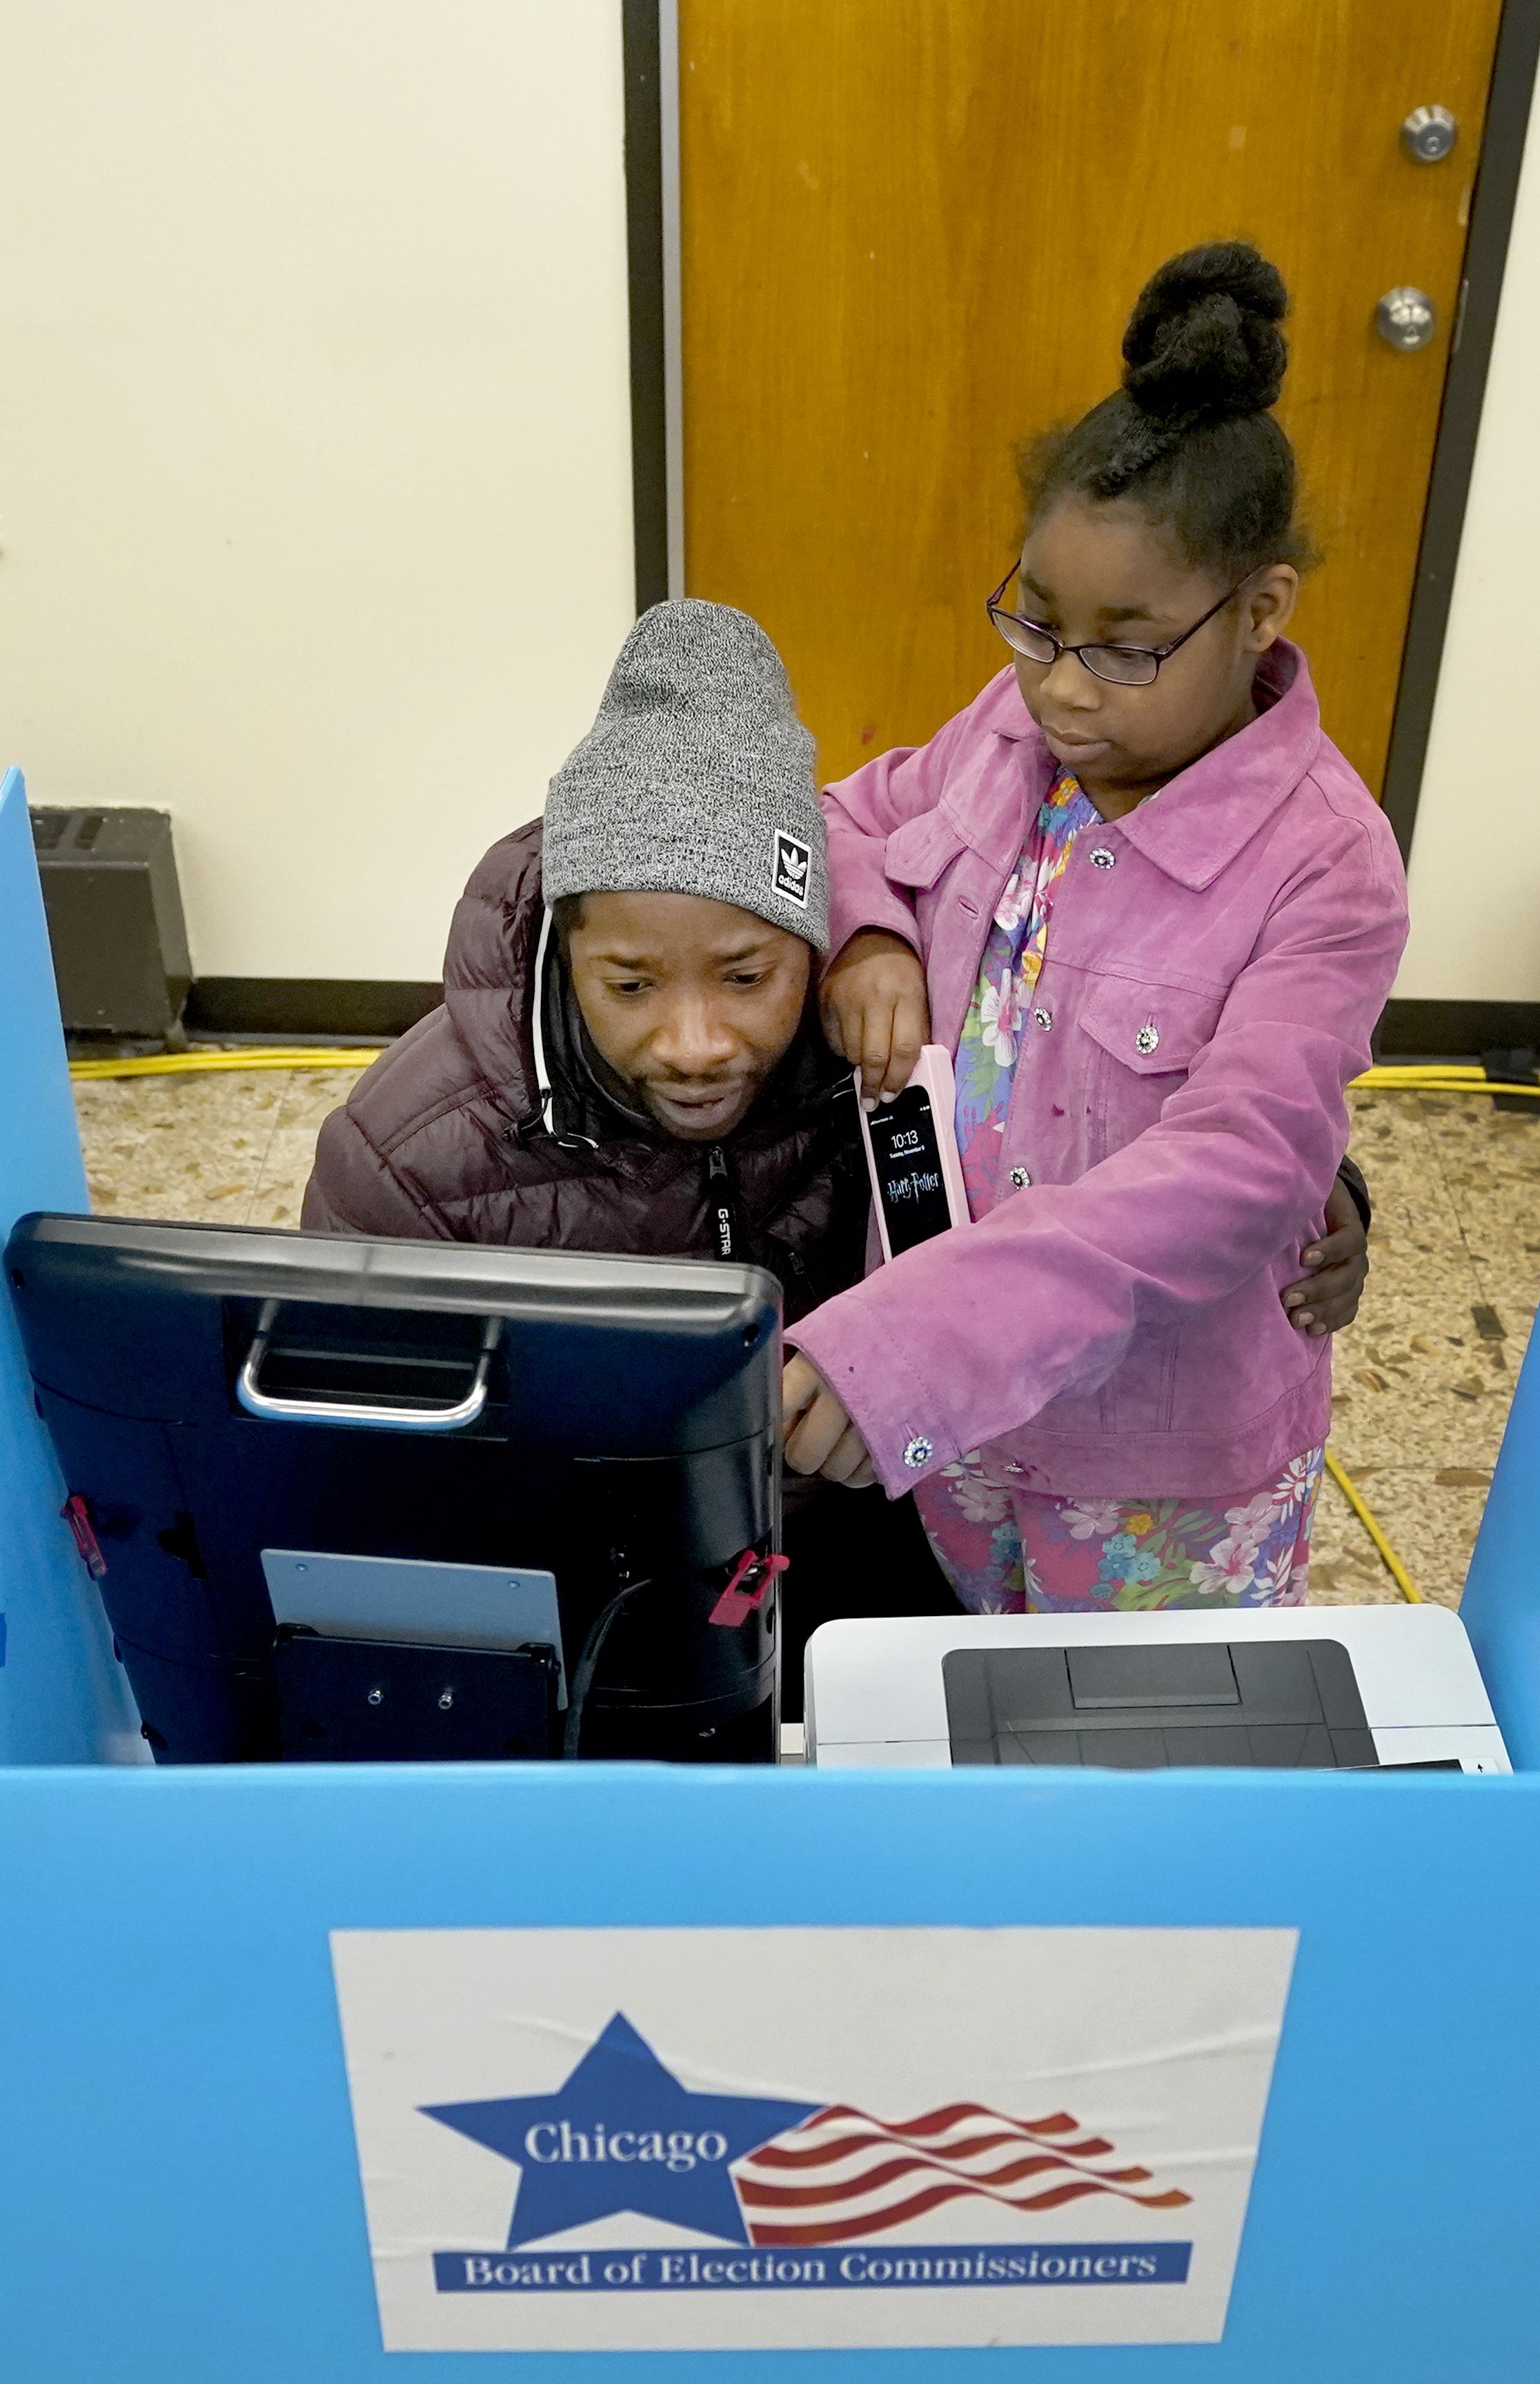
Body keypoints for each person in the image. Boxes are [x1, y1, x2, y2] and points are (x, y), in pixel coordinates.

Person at [299, 598, 1374, 1691]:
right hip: (587, 1604)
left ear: (813, 942)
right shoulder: (404, 1158)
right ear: (564, 949)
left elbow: (1089, 1122)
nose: (695, 1044)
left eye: (747, 976)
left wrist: (1316, 1195)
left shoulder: (888, 1058)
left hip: (887, 1555)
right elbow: (373, 1494)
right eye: (629, 985)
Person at [780, 242, 1412, 1615]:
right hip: (965, 1421)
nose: (1061, 691)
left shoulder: (1327, 865)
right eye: (1036, 624)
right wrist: (869, 936)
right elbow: (849, 812)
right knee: (966, 1711)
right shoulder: (1014, 726)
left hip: (1155, 1469)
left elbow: (1238, 1170)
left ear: (1257, 611)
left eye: (1123, 646)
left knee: (1137, 1764)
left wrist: (920, 1340)